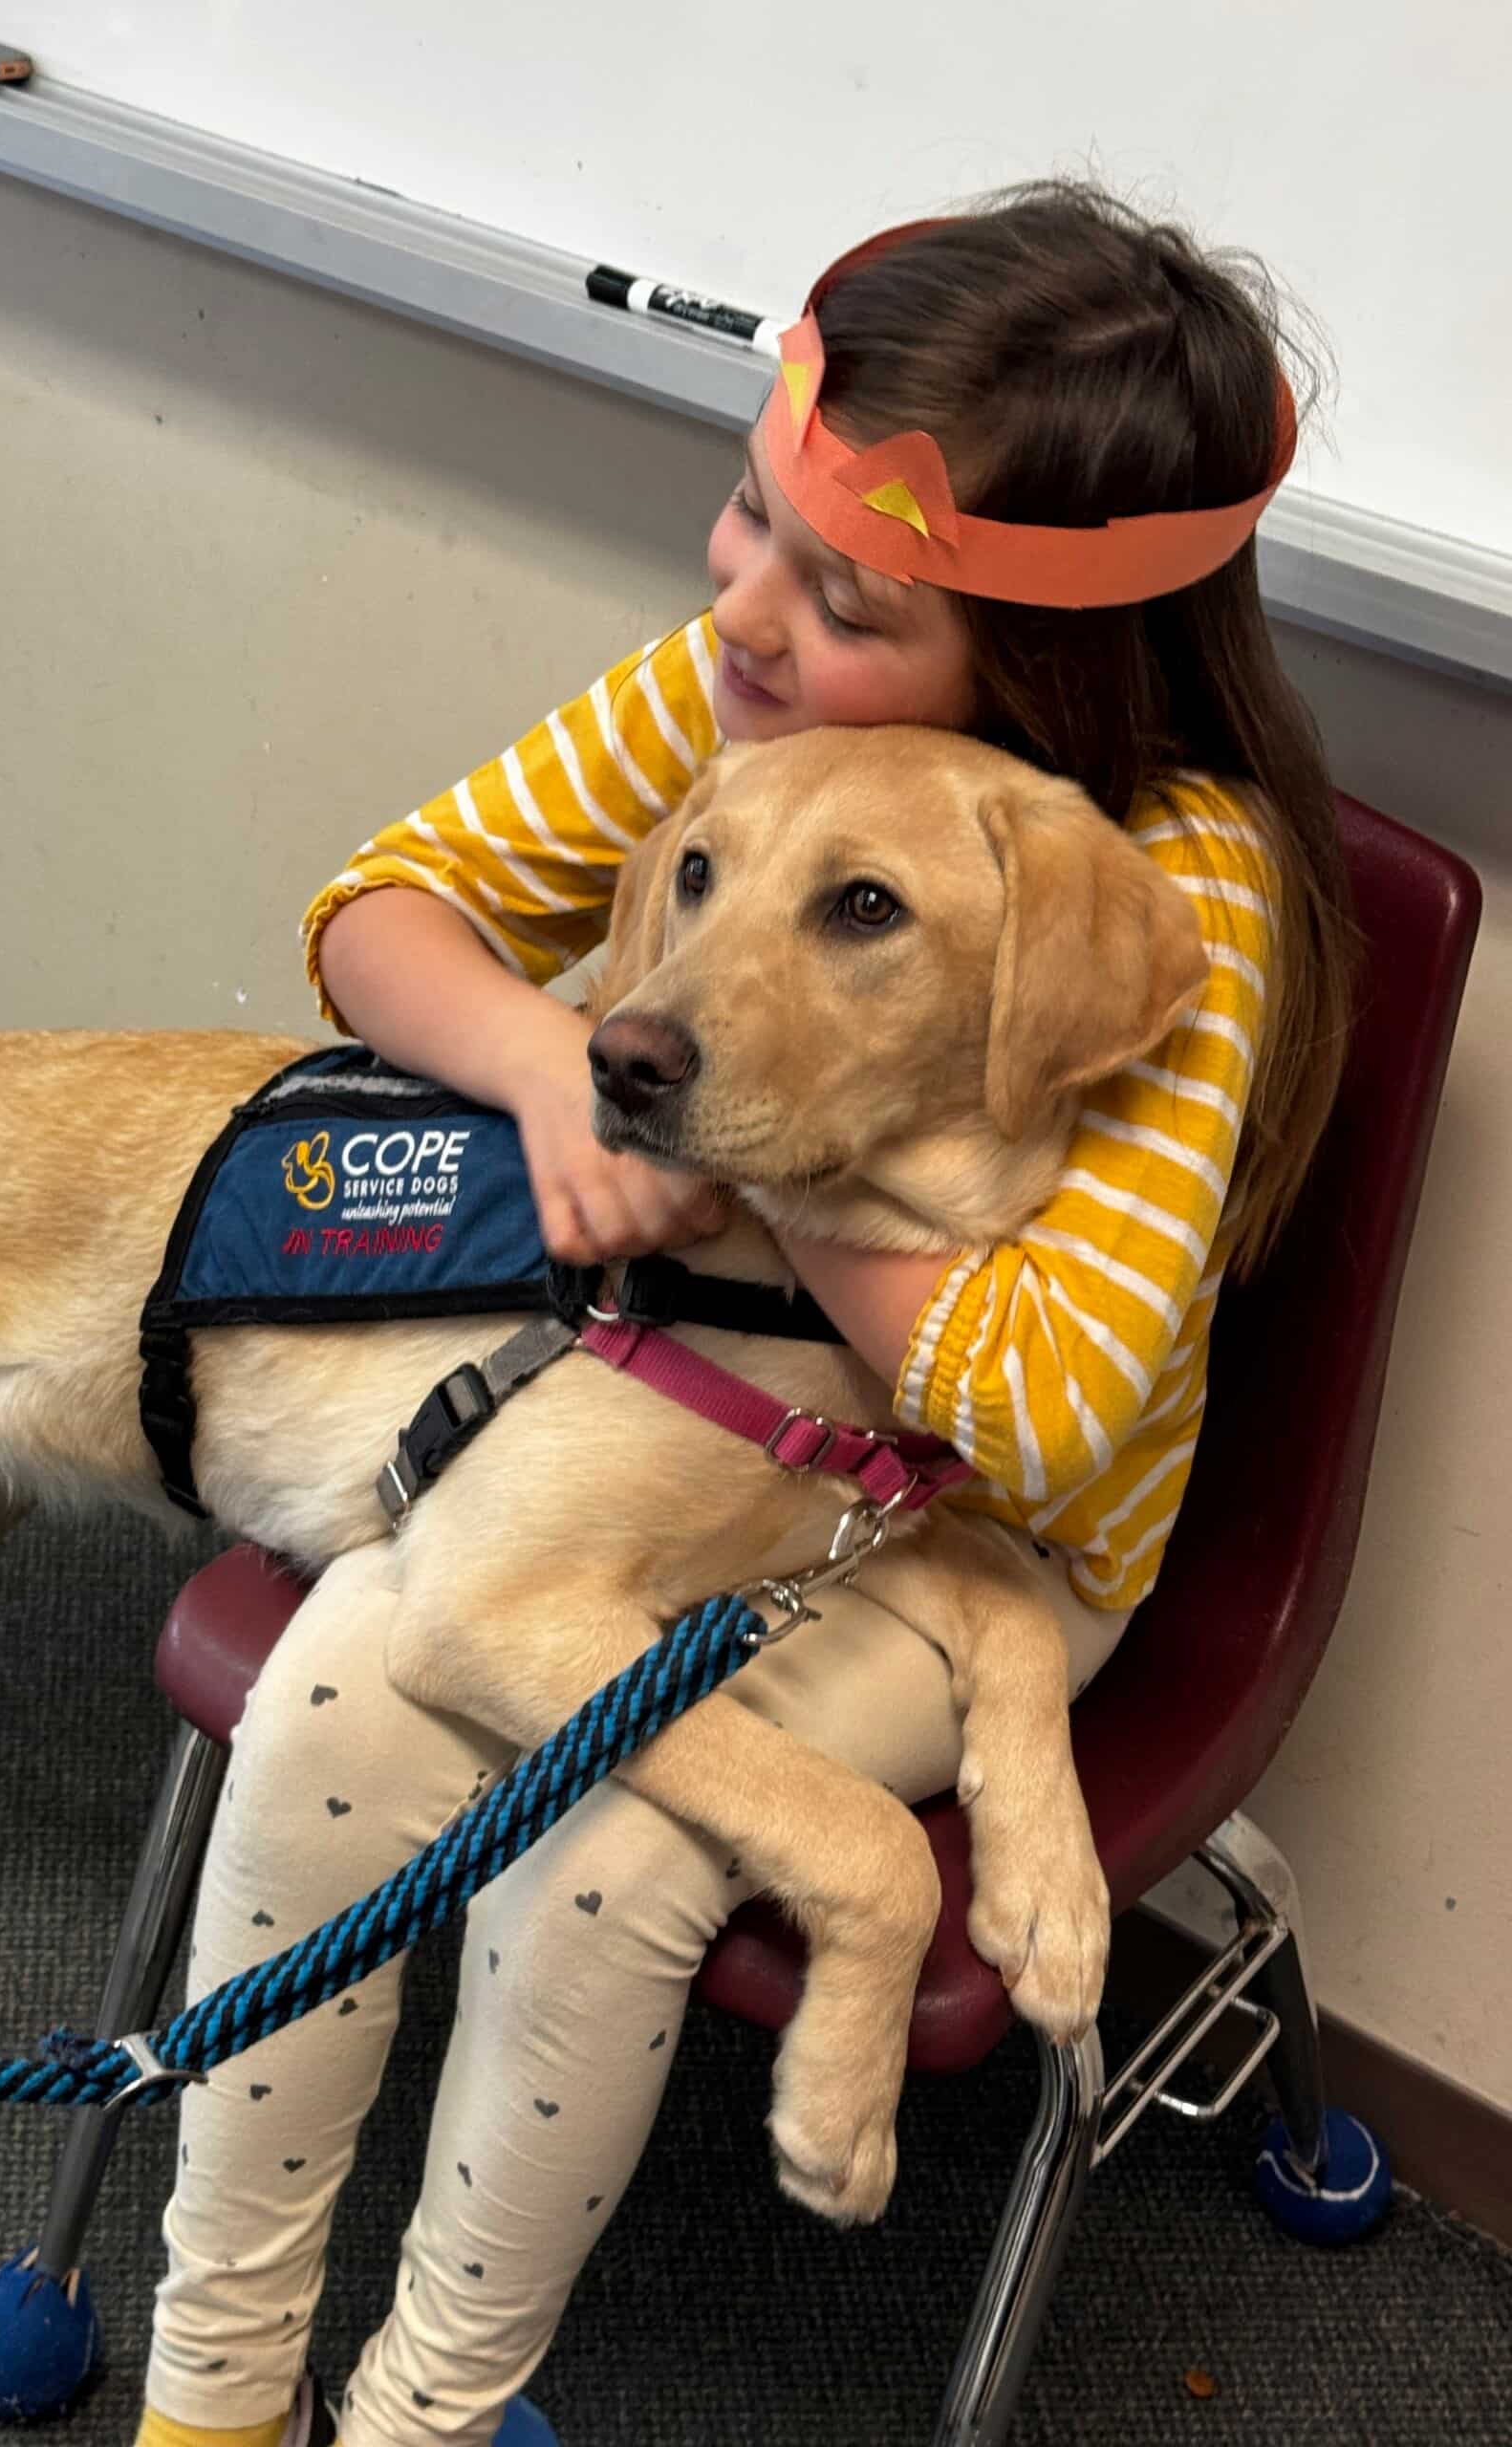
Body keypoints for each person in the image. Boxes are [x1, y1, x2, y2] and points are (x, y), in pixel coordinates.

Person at [134, 182, 1353, 2447]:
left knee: (614, 1842)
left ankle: (424, 2407)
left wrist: (736, 1136)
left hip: (983, 1534)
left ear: (1046, 668)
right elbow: (380, 906)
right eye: (746, 513)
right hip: (712, 1405)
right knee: (335, 1676)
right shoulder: (755, 705)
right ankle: (211, 2379)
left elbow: (1041, 1411)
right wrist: (555, 1063)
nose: (746, 608)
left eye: (846, 591)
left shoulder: (1173, 875)